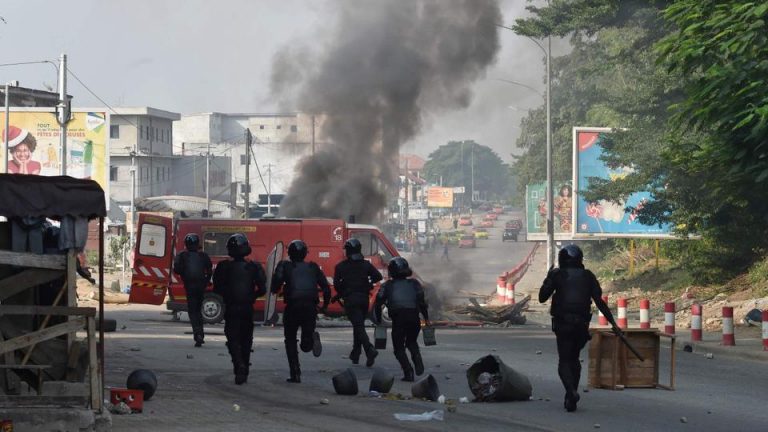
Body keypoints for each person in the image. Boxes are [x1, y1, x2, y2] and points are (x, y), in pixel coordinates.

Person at [538, 245, 618, 412]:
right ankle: (571, 397)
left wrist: (548, 279)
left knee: (564, 361)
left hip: (563, 325)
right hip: (582, 326)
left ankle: (571, 391)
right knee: (575, 359)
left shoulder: (557, 275)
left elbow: (542, 298)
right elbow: (600, 302)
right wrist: (613, 323)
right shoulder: (588, 276)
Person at [271, 240, 331, 383]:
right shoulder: (313, 267)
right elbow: (326, 288)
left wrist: (275, 288)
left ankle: (295, 373)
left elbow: (275, 285)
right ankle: (310, 338)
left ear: (290, 253)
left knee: (290, 340)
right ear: (305, 253)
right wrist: (324, 307)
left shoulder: (284, 266)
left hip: (293, 307)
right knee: (305, 345)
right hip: (310, 308)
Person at [212, 233, 266, 385]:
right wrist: (252, 296)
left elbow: (217, 288)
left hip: (232, 307)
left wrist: (229, 295)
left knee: (233, 338)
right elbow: (262, 288)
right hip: (248, 307)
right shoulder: (254, 267)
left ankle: (239, 366)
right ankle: (245, 370)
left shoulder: (223, 267)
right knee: (246, 339)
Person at [374, 257, 429, 382]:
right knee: (411, 342)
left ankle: (408, 372)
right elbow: (422, 303)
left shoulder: (387, 286)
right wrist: (426, 319)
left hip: (399, 320)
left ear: (391, 271)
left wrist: (378, 320)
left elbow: (378, 304)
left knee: (398, 348)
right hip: (414, 319)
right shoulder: (415, 283)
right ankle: (417, 357)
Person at [333, 238, 383, 367]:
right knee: (358, 325)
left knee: (358, 326)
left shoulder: (341, 266)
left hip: (351, 300)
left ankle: (369, 349)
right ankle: (356, 354)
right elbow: (378, 276)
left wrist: (343, 291)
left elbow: (336, 285)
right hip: (364, 299)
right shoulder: (365, 264)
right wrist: (369, 283)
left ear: (348, 251)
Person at [173, 233, 213, 347]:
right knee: (198, 311)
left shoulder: (182, 255)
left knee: (193, 311)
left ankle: (198, 333)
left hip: (190, 286)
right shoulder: (203, 256)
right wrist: (205, 282)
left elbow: (177, 270)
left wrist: (185, 272)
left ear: (186, 244)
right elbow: (209, 271)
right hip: (200, 287)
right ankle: (200, 333)